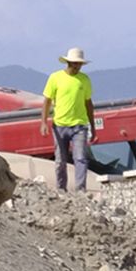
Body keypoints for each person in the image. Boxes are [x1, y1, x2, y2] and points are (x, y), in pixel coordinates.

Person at [42, 46, 95, 194]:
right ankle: (61, 189)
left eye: (79, 64)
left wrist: (93, 126)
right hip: (60, 125)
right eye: (75, 63)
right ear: (69, 62)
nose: (77, 66)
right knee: (60, 161)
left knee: (80, 158)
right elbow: (47, 100)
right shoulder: (55, 78)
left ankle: (80, 190)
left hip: (79, 125)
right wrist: (43, 122)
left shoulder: (84, 80)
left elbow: (88, 103)